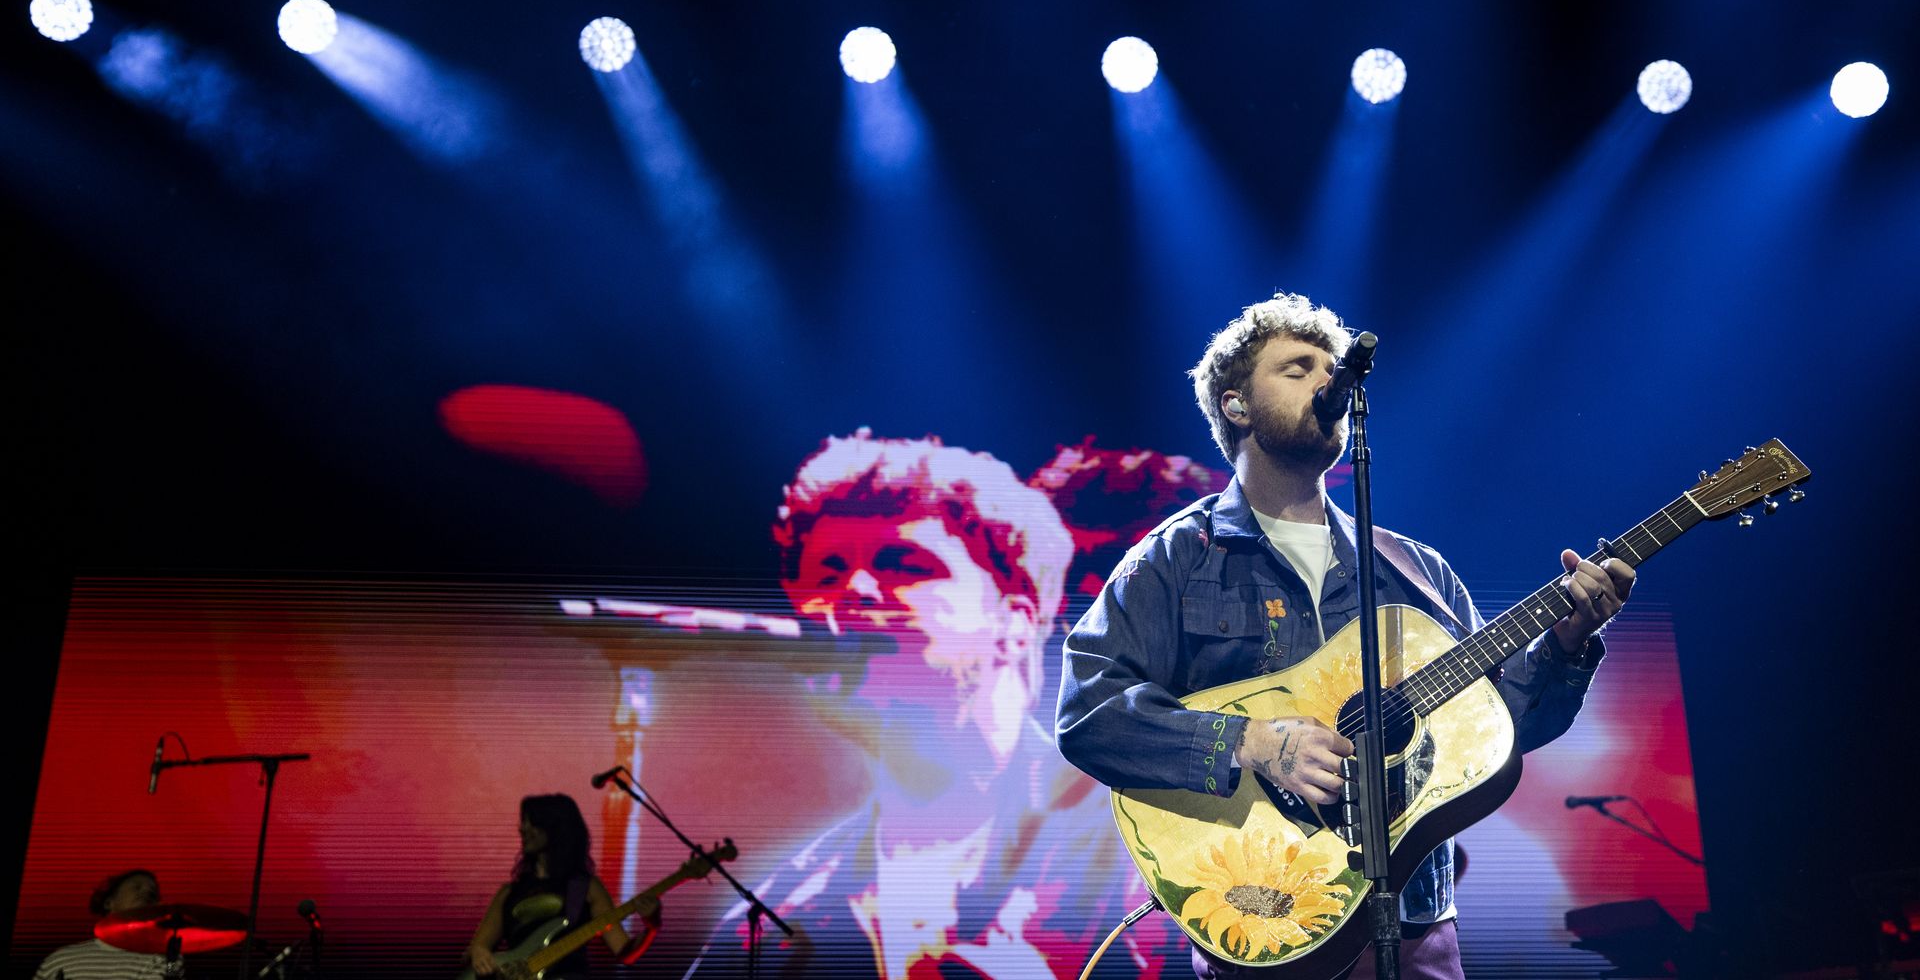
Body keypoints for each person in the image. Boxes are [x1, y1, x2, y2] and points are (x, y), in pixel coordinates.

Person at [1055, 292, 1635, 980]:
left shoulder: (1417, 572)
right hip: (1265, 916)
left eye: (1331, 369)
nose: (1327, 381)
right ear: (1236, 405)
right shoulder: (1180, 556)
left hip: (1419, 928)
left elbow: (1492, 733)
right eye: (1297, 369)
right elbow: (1087, 709)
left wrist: (1564, 645)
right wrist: (1253, 743)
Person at [685, 431, 1163, 978]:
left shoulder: (1143, 836)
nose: (853, 594)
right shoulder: (771, 922)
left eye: (904, 564)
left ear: (1018, 619)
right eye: (827, 573)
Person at [467, 794, 657, 979]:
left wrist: (652, 926)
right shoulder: (509, 892)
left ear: (555, 828)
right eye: (523, 821)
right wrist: (478, 954)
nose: (522, 828)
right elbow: (475, 949)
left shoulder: (585, 888)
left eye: (531, 822)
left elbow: (624, 951)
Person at [33, 869, 167, 980]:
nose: (146, 893)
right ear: (109, 902)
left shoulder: (163, 957)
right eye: (137, 887)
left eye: (153, 893)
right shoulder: (60, 959)